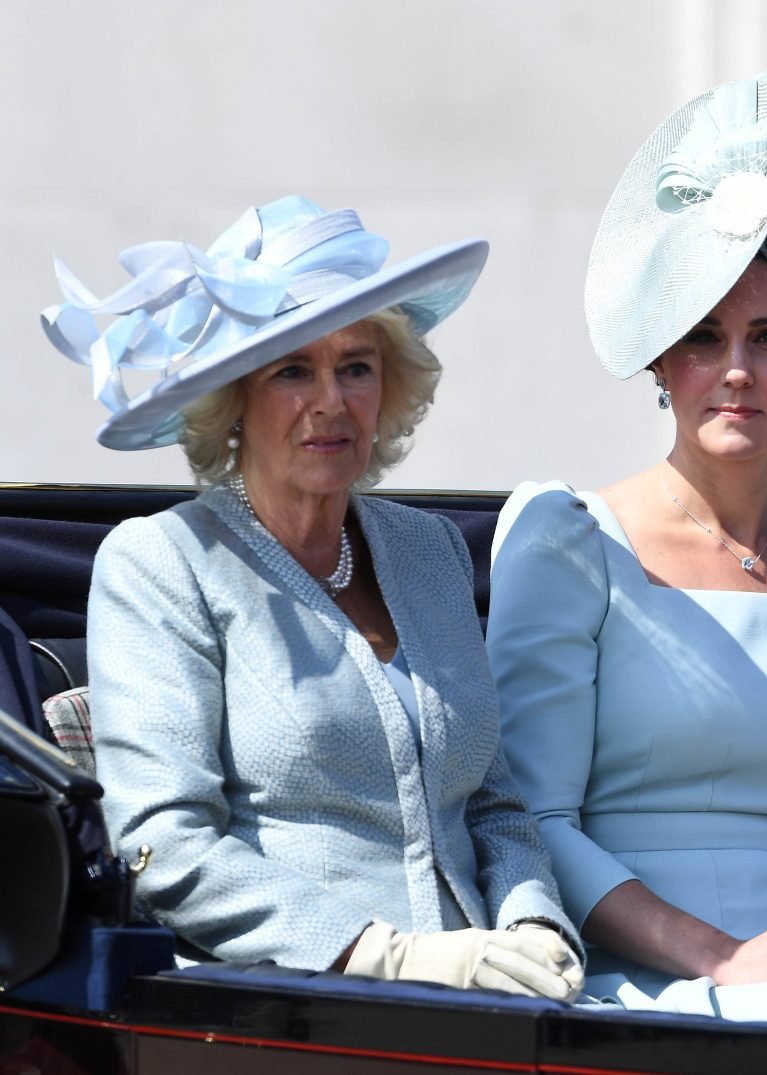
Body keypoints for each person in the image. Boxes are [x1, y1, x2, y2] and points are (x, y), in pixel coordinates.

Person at [42, 194, 583, 1001]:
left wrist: (534, 922)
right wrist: (385, 954)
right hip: (289, 1007)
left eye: (355, 366)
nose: (330, 400)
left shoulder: (431, 550)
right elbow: (168, 843)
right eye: (292, 369)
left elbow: (494, 803)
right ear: (235, 401)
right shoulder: (162, 561)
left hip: (493, 1001)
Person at [485, 67, 767, 1023]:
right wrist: (721, 957)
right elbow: (529, 821)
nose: (733, 370)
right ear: (662, 364)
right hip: (632, 983)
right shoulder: (567, 538)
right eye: (702, 337)